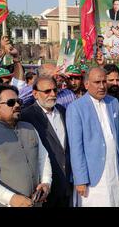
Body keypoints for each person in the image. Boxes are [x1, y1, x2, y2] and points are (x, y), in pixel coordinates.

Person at [0, 85, 52, 207]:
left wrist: (46, 182)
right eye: (11, 102)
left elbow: (43, 158)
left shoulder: (29, 127)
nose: (17, 105)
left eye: (19, 101)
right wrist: (11, 198)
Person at [66, 67, 119, 207]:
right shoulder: (76, 108)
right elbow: (76, 147)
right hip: (91, 175)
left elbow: (118, 138)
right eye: (97, 82)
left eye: (104, 82)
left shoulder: (113, 103)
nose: (102, 86)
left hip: (112, 169)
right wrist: (80, 179)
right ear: (86, 85)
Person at [20, 76, 72, 207]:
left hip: (67, 184)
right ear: (35, 94)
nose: (53, 94)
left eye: (55, 90)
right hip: (42, 188)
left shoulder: (64, 111)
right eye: (47, 91)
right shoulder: (26, 116)